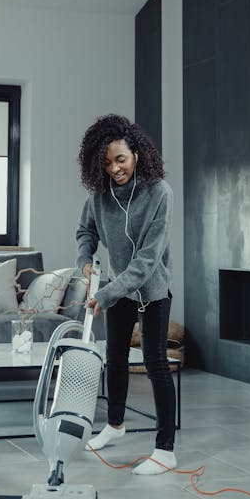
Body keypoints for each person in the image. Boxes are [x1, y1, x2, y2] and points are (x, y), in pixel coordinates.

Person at [76, 113, 176, 475]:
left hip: (151, 289)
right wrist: (85, 259)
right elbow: (85, 231)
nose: (114, 168)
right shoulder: (99, 195)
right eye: (106, 163)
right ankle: (115, 426)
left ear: (136, 154)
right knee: (114, 358)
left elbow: (147, 260)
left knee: (155, 364)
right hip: (118, 289)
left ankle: (165, 451)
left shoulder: (159, 194)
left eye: (120, 159)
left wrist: (105, 294)